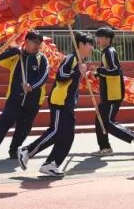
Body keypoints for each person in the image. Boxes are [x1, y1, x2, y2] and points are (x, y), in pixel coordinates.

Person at [17, 32, 95, 177]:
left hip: (68, 104)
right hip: (60, 102)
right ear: (81, 45)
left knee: (68, 136)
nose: (92, 48)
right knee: (56, 131)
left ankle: (51, 164)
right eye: (90, 44)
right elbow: (61, 76)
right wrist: (76, 71)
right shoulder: (71, 58)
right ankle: (27, 151)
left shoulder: (79, 61)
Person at [0, 31, 50, 162]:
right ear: (26, 42)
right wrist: (14, 51)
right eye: (35, 42)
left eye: (39, 43)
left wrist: (31, 85)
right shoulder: (17, 56)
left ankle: (14, 150)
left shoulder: (42, 58)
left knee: (24, 127)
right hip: (14, 97)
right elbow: (0, 59)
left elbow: (44, 76)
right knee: (4, 121)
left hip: (34, 100)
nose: (37, 46)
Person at [92, 27, 134, 155]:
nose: (97, 39)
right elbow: (109, 71)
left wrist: (99, 70)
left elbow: (115, 71)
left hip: (113, 94)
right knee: (100, 121)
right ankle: (105, 148)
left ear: (108, 39)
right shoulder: (105, 52)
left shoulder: (109, 52)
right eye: (97, 37)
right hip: (107, 93)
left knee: (107, 122)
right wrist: (98, 73)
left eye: (100, 37)